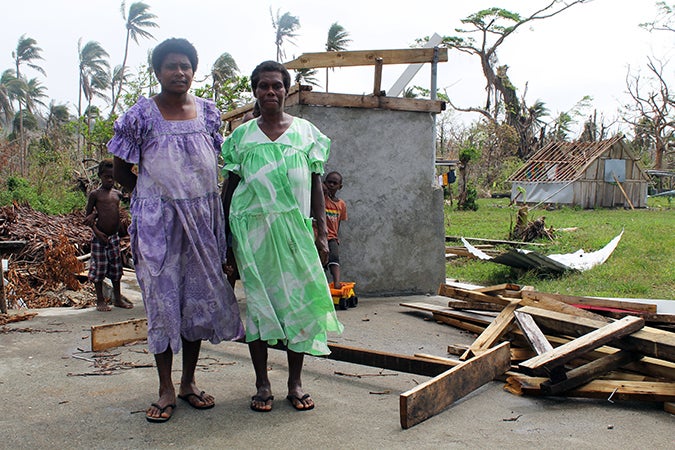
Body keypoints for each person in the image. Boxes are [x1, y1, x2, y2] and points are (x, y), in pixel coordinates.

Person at [108, 38, 244, 423]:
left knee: (196, 303)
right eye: (172, 66)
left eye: (186, 65)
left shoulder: (209, 113)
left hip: (202, 221)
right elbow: (120, 169)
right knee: (163, 303)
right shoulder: (140, 116)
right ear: (158, 71)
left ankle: (188, 383)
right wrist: (150, 199)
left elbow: (217, 160)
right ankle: (165, 388)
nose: (179, 72)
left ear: (193, 71)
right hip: (158, 225)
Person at [222, 60, 343, 413]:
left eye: (277, 86)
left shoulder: (307, 133)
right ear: (255, 91)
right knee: (259, 308)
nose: (270, 92)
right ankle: (262, 384)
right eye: (263, 86)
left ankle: (295, 382)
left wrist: (321, 232)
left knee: (301, 308)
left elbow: (317, 186)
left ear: (286, 90)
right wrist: (225, 237)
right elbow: (229, 189)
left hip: (295, 233)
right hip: (253, 232)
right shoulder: (240, 137)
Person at [83, 159, 132, 311]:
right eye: (106, 177)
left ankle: (117, 299)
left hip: (114, 238)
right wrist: (97, 232)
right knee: (99, 269)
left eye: (112, 177)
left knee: (116, 269)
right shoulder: (95, 195)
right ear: (100, 176)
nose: (109, 180)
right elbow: (88, 218)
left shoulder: (117, 195)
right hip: (100, 238)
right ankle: (100, 301)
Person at [322, 171, 348, 289]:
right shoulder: (321, 198)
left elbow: (339, 223)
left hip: (332, 237)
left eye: (335, 183)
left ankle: (337, 283)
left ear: (340, 186)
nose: (331, 185)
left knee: (334, 258)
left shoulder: (341, 204)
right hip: (319, 235)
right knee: (320, 261)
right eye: (329, 182)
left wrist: (336, 237)